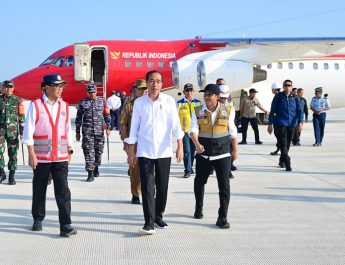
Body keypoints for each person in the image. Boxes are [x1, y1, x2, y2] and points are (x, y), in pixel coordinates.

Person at [126, 70, 184, 236]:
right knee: (147, 188)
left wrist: (179, 145)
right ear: (147, 83)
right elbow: (134, 128)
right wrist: (131, 151)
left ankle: (158, 215)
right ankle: (148, 222)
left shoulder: (168, 101)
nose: (155, 84)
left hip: (164, 151)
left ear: (162, 84)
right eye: (151, 81)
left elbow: (176, 125)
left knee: (163, 187)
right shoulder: (139, 103)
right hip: (145, 151)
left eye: (158, 81)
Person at [22, 74, 77, 237]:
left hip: (60, 156)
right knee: (39, 189)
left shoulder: (65, 106)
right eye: (56, 85)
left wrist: (70, 150)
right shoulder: (36, 105)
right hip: (41, 156)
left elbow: (67, 130)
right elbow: (28, 130)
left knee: (63, 191)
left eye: (62, 86)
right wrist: (31, 153)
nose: (60, 88)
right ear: (46, 87)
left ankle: (65, 224)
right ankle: (38, 219)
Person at [190, 84, 238, 229]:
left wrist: (235, 149)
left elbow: (232, 130)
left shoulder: (228, 110)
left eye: (209, 94)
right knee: (199, 182)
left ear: (217, 96)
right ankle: (199, 207)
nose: (206, 96)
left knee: (224, 187)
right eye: (205, 94)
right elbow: (193, 129)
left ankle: (222, 217)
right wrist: (196, 144)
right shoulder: (198, 110)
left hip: (222, 153)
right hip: (203, 154)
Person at [75, 82, 111, 182]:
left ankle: (96, 168)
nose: (92, 94)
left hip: (99, 132)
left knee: (98, 152)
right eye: (90, 92)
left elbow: (107, 115)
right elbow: (78, 118)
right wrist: (77, 132)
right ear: (87, 92)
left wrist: (108, 128)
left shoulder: (102, 102)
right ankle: (90, 173)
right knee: (88, 152)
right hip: (87, 132)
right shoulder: (82, 103)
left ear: (96, 91)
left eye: (94, 92)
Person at [120, 79, 148, 204]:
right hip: (134, 143)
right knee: (135, 170)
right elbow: (123, 124)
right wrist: (125, 142)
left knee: (150, 170)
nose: (143, 92)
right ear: (135, 90)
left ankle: (149, 192)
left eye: (144, 89)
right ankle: (135, 194)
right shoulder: (129, 104)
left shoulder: (150, 103)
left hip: (148, 141)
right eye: (140, 89)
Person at [268, 79, 303, 171]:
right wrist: (270, 124)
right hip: (280, 123)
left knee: (287, 144)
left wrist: (300, 122)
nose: (287, 87)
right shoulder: (278, 97)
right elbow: (272, 110)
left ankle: (281, 160)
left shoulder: (295, 98)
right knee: (283, 143)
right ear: (283, 87)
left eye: (289, 85)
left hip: (292, 124)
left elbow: (300, 111)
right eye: (286, 85)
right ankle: (287, 162)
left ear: (291, 87)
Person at [0, 80, 25, 185]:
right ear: (3, 88)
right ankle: (1, 172)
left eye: (10, 87)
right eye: (6, 87)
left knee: (13, 153)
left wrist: (22, 130)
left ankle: (11, 175)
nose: (8, 89)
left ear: (13, 88)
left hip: (13, 131)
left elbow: (21, 116)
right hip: (0, 130)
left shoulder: (18, 100)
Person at [176, 83, 201, 178]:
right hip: (184, 131)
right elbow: (176, 118)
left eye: (191, 90)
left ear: (193, 92)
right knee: (186, 151)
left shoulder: (198, 103)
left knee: (193, 151)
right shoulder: (179, 103)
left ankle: (190, 167)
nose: (189, 92)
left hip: (195, 132)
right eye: (187, 90)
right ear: (184, 92)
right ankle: (187, 170)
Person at [218, 84, 237, 179]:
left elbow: (231, 123)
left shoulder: (230, 105)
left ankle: (228, 171)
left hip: (227, 134)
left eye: (225, 98)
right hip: (217, 134)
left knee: (229, 153)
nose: (223, 100)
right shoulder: (213, 105)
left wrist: (233, 136)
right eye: (221, 98)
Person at [270, 83, 281, 155]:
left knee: (279, 135)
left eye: (272, 89)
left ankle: (280, 149)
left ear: (275, 89)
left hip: (278, 120)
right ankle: (279, 148)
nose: (272, 91)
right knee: (278, 135)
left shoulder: (277, 96)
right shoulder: (279, 96)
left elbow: (273, 109)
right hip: (277, 119)